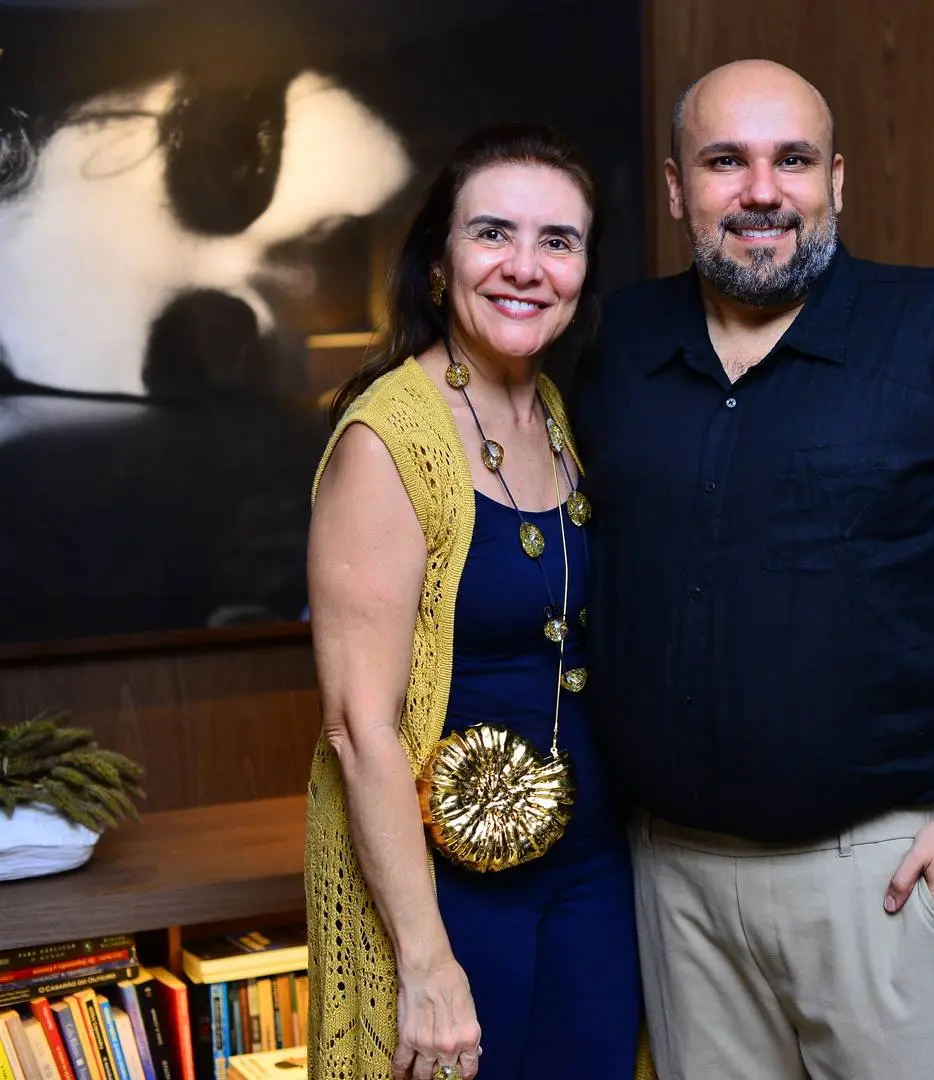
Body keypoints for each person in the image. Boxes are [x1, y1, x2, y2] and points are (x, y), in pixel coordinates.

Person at [572, 59, 934, 1080]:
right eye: (725, 162)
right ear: (675, 188)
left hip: (879, 873)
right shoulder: (619, 341)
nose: (762, 191)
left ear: (835, 179)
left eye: (792, 160)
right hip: (672, 880)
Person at [303, 123, 647, 1080]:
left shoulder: (559, 413)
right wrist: (425, 961)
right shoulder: (388, 438)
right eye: (493, 232)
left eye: (557, 241)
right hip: (447, 892)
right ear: (437, 262)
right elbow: (359, 728)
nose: (524, 267)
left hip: (589, 869)